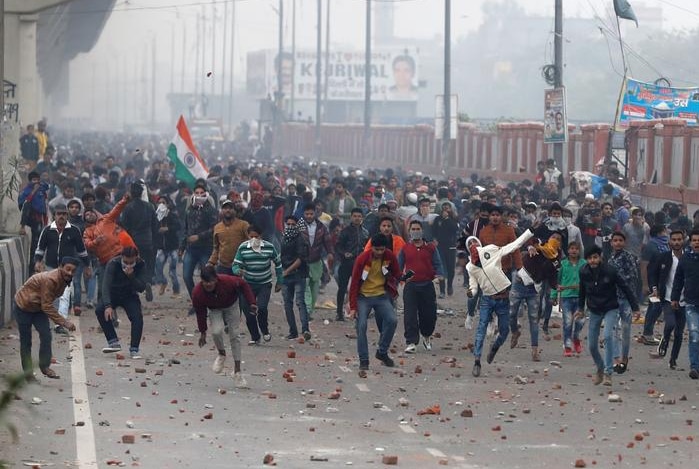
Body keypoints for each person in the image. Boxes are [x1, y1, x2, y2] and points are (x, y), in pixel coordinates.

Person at [466, 229, 534, 377]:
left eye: (474, 242)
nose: (472, 244)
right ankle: (477, 361)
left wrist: (529, 232)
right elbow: (473, 285)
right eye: (469, 243)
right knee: (481, 329)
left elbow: (513, 245)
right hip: (486, 299)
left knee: (504, 331)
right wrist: (471, 292)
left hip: (502, 298)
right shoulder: (470, 267)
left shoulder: (491, 250)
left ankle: (494, 348)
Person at [577, 245, 640, 387]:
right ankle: (600, 366)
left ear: (600, 258)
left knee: (607, 336)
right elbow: (582, 291)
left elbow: (625, 287)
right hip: (594, 310)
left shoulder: (610, 271)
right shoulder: (583, 272)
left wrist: (635, 308)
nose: (592, 261)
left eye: (595, 257)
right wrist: (580, 308)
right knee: (592, 345)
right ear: (586, 259)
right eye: (589, 258)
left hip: (610, 308)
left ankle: (608, 373)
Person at [14, 257, 79, 381]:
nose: (70, 273)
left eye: (73, 271)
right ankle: (28, 374)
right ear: (61, 267)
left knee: (46, 335)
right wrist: (64, 322)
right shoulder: (51, 279)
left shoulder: (66, 279)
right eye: (67, 269)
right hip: (23, 306)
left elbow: (46, 304)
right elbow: (47, 305)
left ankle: (44, 366)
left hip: (38, 308)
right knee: (26, 341)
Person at [192, 265, 256, 388]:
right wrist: (203, 332)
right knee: (216, 331)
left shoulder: (228, 281)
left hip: (231, 305)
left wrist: (251, 302)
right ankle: (221, 353)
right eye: (205, 282)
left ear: (216, 279)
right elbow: (200, 312)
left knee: (234, 335)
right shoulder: (197, 293)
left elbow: (243, 284)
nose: (208, 285)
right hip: (214, 309)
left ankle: (237, 371)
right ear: (201, 281)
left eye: (210, 282)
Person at [348, 234, 401, 376]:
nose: (379, 252)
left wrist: (405, 278)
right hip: (363, 297)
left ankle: (382, 352)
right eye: (376, 250)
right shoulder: (362, 259)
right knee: (362, 326)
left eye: (381, 249)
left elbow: (397, 273)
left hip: (381, 295)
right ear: (372, 248)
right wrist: (353, 307)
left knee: (392, 320)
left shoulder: (389, 256)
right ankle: (364, 360)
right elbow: (353, 284)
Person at [34, 203, 92, 334]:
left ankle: (60, 324)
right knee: (51, 295)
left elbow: (82, 250)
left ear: (67, 216)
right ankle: (55, 320)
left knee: (65, 295)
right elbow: (40, 248)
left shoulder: (74, 230)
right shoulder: (47, 230)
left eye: (64, 214)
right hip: (51, 267)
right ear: (54, 215)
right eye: (59, 214)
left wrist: (87, 266)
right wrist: (37, 261)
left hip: (67, 270)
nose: (61, 216)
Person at [398, 220, 444, 353]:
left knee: (429, 315)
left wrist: (439, 276)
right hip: (411, 286)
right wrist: (400, 280)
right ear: (409, 231)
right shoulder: (405, 248)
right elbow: (398, 267)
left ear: (422, 231)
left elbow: (438, 264)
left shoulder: (431, 248)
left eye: (417, 228)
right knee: (410, 315)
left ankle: (427, 336)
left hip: (427, 285)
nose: (415, 231)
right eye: (413, 229)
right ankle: (411, 342)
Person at [232, 225, 283, 345]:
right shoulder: (243, 248)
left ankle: (265, 330)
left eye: (257, 236)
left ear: (261, 236)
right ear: (248, 237)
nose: (254, 239)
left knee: (262, 307)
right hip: (248, 284)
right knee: (248, 312)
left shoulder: (269, 247)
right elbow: (235, 264)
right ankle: (255, 337)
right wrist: (237, 271)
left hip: (264, 283)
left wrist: (280, 281)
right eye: (251, 236)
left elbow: (278, 263)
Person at [96, 247, 148, 359]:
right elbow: (105, 285)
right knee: (100, 310)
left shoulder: (141, 264)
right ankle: (113, 341)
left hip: (129, 295)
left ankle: (134, 349)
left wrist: (131, 276)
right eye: (126, 262)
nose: (128, 265)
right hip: (113, 293)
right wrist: (108, 306)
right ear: (122, 258)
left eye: (131, 262)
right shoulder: (113, 263)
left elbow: (141, 287)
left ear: (136, 258)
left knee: (137, 318)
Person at [648, 230, 686, 370]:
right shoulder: (662, 257)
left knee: (679, 333)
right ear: (670, 241)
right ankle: (664, 341)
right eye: (674, 239)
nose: (676, 242)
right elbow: (652, 272)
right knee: (670, 324)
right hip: (668, 298)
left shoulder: (688, 258)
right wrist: (654, 287)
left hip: (685, 300)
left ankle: (673, 359)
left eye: (679, 239)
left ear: (683, 241)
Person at [180, 185, 218, 313]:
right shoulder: (189, 210)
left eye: (202, 193)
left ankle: (208, 302)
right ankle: (196, 301)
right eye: (197, 193)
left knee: (206, 277)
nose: (199, 195)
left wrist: (199, 236)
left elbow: (214, 228)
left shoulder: (210, 210)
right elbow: (185, 229)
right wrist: (182, 247)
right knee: (186, 276)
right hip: (191, 249)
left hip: (206, 248)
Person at [607, 231, 641, 374]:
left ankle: (624, 359)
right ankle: (616, 359)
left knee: (626, 330)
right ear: (611, 243)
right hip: (613, 299)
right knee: (613, 330)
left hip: (626, 298)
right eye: (615, 240)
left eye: (620, 240)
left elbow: (633, 277)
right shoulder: (609, 260)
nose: (618, 243)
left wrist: (634, 303)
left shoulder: (628, 257)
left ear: (624, 242)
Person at [120, 181, 159, 301]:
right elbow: (155, 225)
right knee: (146, 264)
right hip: (148, 241)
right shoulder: (150, 206)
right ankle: (147, 282)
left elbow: (124, 226)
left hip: (133, 241)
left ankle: (133, 290)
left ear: (131, 193)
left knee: (131, 264)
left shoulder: (128, 208)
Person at [670, 229, 699, 379]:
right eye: (694, 240)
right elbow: (678, 279)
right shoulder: (686, 259)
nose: (697, 243)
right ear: (691, 242)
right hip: (691, 303)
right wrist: (674, 297)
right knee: (694, 334)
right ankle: (694, 367)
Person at [334, 208, 369, 321]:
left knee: (359, 289)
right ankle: (339, 313)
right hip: (346, 263)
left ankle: (357, 311)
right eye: (355, 216)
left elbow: (368, 248)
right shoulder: (345, 231)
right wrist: (344, 253)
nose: (357, 218)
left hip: (360, 264)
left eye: (359, 216)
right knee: (342, 288)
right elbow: (338, 246)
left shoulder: (365, 232)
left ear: (362, 218)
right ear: (351, 217)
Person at [300, 204, 334, 318]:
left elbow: (328, 241)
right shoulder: (298, 226)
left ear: (315, 214)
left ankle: (310, 310)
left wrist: (330, 253)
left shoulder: (321, 227)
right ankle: (307, 310)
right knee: (305, 287)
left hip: (316, 261)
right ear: (303, 214)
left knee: (314, 287)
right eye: (306, 214)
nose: (309, 216)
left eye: (311, 214)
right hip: (302, 261)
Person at [280, 215, 311, 340]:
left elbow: (300, 259)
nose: (291, 227)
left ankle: (305, 330)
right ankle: (293, 331)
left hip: (298, 274)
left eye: (293, 224)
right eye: (289, 224)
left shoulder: (301, 239)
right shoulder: (283, 238)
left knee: (300, 302)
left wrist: (286, 271)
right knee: (287, 304)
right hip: (286, 275)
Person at [553, 241, 586, 357]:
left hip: (581, 297)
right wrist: (553, 296)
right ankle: (567, 346)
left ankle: (576, 338)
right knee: (567, 322)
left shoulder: (584, 264)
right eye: (571, 248)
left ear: (579, 250)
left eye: (576, 249)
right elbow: (556, 282)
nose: (574, 251)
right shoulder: (563, 264)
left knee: (580, 321)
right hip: (566, 297)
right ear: (568, 250)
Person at [208, 199, 249, 275]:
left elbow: (250, 243)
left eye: (230, 208)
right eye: (225, 208)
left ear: (235, 210)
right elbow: (216, 248)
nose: (228, 210)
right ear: (221, 211)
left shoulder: (243, 225)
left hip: (240, 266)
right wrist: (211, 262)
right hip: (223, 266)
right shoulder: (217, 227)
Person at [154, 195, 182, 296]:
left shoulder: (172, 215)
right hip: (161, 246)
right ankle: (163, 282)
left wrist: (168, 229)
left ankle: (176, 289)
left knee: (172, 270)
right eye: (159, 203)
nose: (161, 205)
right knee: (158, 267)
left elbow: (178, 226)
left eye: (163, 203)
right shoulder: (156, 216)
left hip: (172, 246)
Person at [432, 202, 459, 298]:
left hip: (451, 246)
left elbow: (454, 229)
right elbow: (434, 231)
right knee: (441, 268)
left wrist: (447, 218)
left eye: (447, 208)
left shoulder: (453, 219)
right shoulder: (437, 219)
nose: (445, 210)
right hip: (440, 247)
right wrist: (434, 239)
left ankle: (450, 285)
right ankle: (442, 290)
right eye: (443, 208)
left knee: (451, 268)